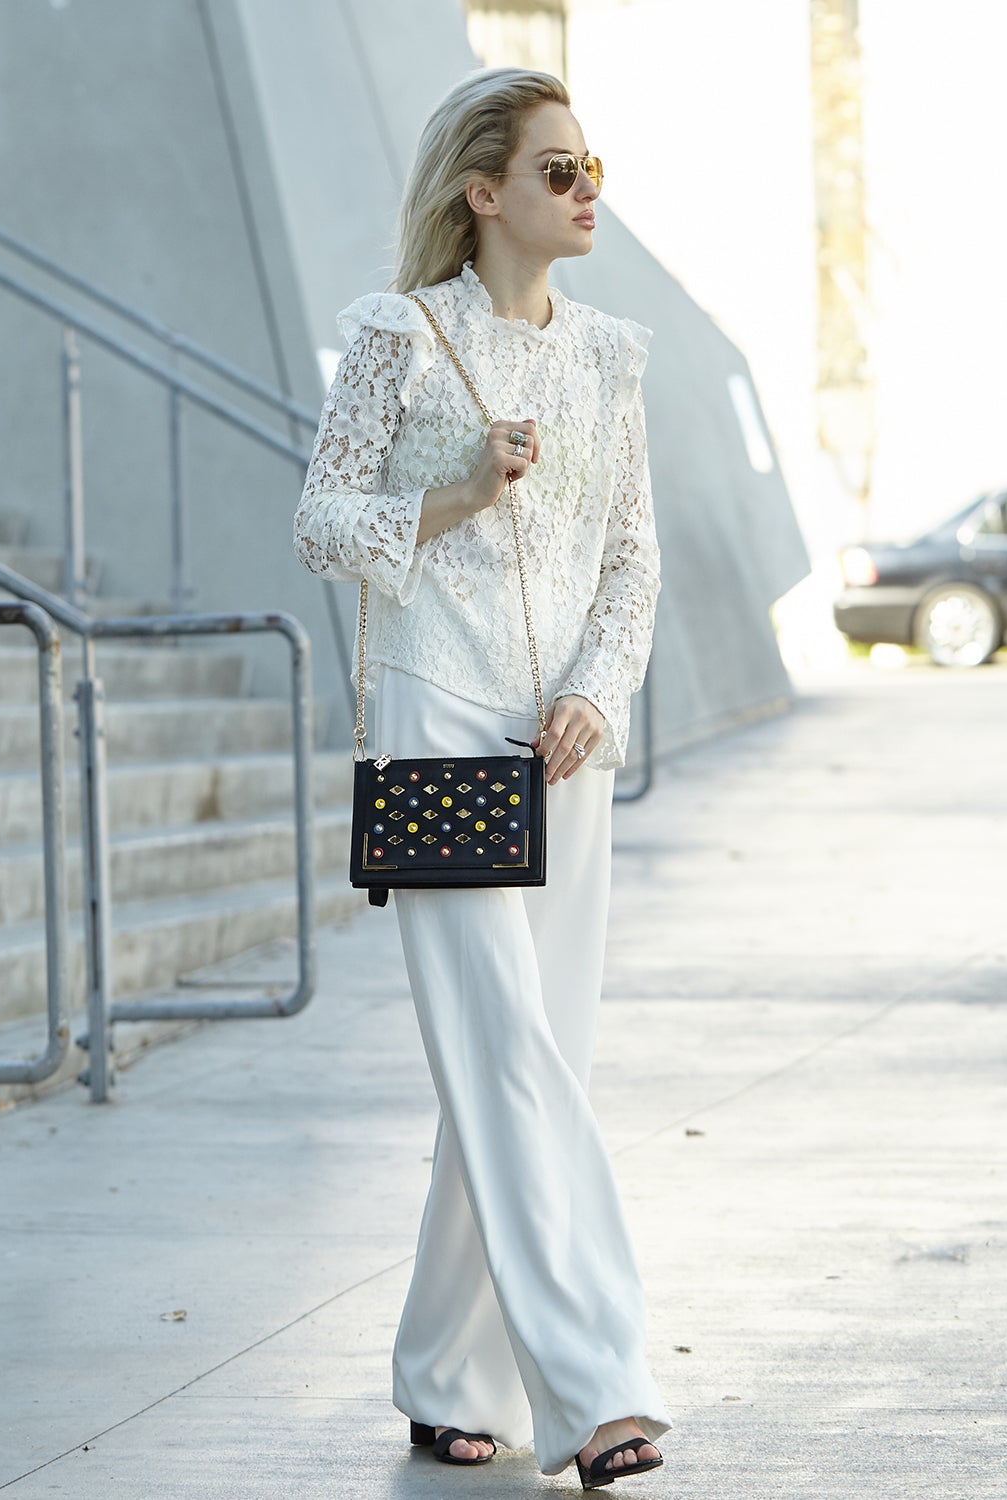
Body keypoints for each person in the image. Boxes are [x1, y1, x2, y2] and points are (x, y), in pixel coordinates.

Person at [293, 67, 670, 1488]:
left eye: (592, 167)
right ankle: (598, 1387)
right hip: (439, 724)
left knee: (523, 1064)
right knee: (509, 1053)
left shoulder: (613, 357)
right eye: (558, 172)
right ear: (485, 191)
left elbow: (634, 561)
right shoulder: (399, 337)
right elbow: (325, 523)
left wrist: (594, 691)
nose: (586, 192)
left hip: (560, 742)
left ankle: (448, 1376)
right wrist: (458, 487)